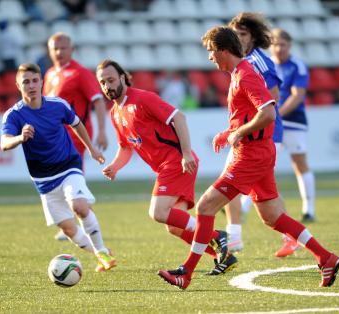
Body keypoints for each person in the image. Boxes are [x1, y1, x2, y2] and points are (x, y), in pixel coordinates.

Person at [158, 26, 339, 290]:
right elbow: (249, 115)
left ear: (223, 50)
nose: (210, 58)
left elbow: (268, 112)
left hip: (251, 155)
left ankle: (186, 272)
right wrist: (228, 133)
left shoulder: (245, 75)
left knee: (205, 207)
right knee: (272, 216)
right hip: (258, 151)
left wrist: (239, 133)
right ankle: (326, 257)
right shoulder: (237, 74)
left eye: (211, 52)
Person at [96, 59, 237, 276]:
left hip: (176, 162)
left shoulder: (143, 98)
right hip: (166, 167)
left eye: (111, 80)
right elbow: (126, 147)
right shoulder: (115, 113)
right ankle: (222, 255)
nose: (107, 86)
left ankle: (217, 236)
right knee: (174, 226)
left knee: (158, 212)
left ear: (123, 77)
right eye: (103, 82)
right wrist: (115, 166)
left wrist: (187, 153)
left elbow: (179, 118)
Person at [0, 63, 116, 273]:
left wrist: (91, 149)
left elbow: (76, 123)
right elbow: (4, 143)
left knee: (79, 207)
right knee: (69, 229)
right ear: (18, 86)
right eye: (26, 82)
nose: (32, 85)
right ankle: (101, 252)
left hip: (68, 165)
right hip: (43, 179)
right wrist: (20, 137)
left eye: (35, 80)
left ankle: (102, 252)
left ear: (42, 82)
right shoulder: (14, 115)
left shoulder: (57, 105)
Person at [224, 12, 289, 255]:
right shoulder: (238, 61)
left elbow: (273, 98)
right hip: (248, 132)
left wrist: (246, 125)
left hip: (264, 132)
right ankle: (290, 235)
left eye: (243, 34)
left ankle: (234, 238)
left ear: (253, 37)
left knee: (227, 183)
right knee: (265, 191)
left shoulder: (258, 62)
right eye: (236, 34)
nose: (239, 38)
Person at [43, 32, 108, 241]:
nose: (59, 52)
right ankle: (73, 222)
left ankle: (83, 222)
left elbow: (97, 100)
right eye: (55, 48)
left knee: (71, 178)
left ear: (71, 50)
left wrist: (102, 131)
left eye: (63, 48)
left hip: (74, 136)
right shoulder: (50, 73)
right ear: (50, 51)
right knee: (59, 180)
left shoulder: (80, 73)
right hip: (54, 138)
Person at [270, 28, 316, 223]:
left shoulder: (297, 65)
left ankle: (309, 209)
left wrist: (276, 114)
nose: (279, 48)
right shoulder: (268, 65)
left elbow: (298, 96)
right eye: (276, 44)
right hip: (272, 119)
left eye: (283, 44)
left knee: (299, 163)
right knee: (264, 164)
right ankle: (243, 208)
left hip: (293, 120)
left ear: (289, 46)